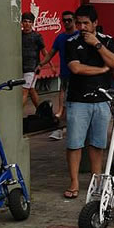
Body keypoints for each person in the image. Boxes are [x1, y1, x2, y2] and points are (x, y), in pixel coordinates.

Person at [63, 4, 114, 199]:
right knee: (75, 143)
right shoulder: (71, 42)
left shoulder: (107, 40)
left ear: (95, 23)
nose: (82, 27)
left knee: (98, 143)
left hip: (102, 99)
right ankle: (74, 182)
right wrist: (102, 70)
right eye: (79, 23)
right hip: (78, 100)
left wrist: (97, 44)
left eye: (86, 23)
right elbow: (76, 68)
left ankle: (97, 180)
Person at [37, 11, 79, 140]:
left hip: (79, 74)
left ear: (74, 21)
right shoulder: (60, 38)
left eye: (69, 20)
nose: (66, 22)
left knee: (74, 103)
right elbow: (51, 53)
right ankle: (62, 127)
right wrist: (42, 64)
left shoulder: (80, 36)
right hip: (66, 74)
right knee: (64, 99)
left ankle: (68, 128)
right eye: (64, 20)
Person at [21, 12, 49, 109]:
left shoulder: (37, 36)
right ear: (21, 23)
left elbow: (44, 51)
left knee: (24, 90)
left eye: (29, 22)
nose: (27, 24)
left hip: (32, 68)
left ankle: (17, 116)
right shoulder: (18, 35)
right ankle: (41, 111)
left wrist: (51, 65)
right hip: (20, 67)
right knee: (31, 90)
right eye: (25, 21)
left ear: (32, 23)